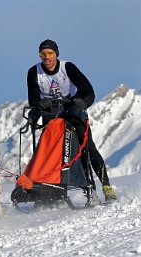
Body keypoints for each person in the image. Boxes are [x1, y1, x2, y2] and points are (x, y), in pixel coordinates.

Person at [26, 39, 117, 201]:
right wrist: (41, 104)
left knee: (86, 146)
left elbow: (88, 91)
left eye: (50, 53)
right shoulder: (34, 72)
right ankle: (50, 189)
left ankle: (106, 186)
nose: (46, 57)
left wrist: (84, 102)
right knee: (49, 150)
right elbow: (33, 100)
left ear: (56, 54)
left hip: (73, 110)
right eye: (42, 54)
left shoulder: (68, 68)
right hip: (51, 114)